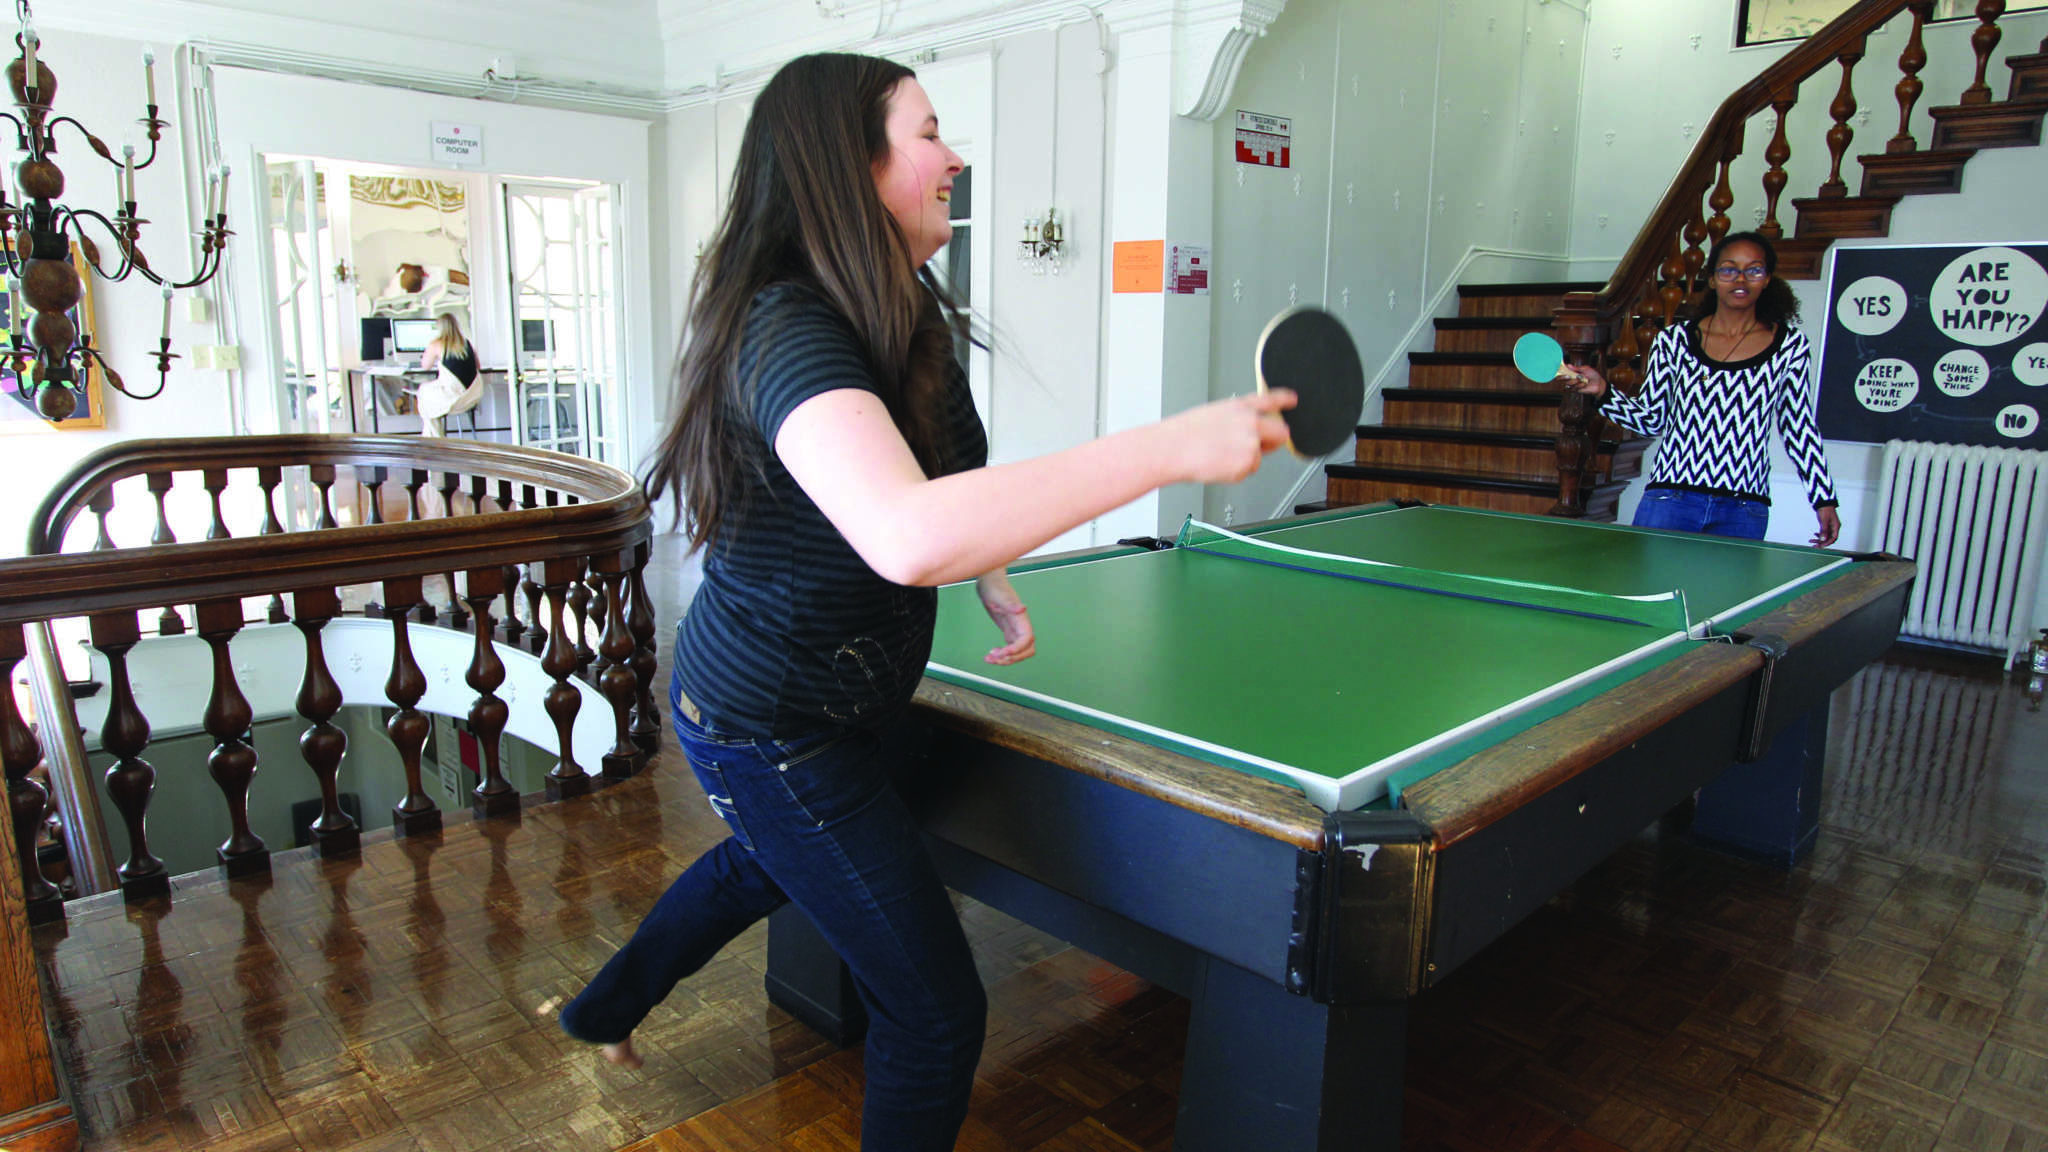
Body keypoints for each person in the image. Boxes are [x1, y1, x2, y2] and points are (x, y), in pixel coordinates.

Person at [555, 52, 1294, 1151]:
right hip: (766, 721)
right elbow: (904, 536)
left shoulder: (899, 311)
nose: (954, 157)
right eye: (927, 133)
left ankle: (600, 1009)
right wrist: (1170, 444)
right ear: (849, 167)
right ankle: (605, 1008)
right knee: (938, 1013)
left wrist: (990, 571)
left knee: (763, 863)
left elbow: (938, 482)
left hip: (841, 698)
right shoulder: (785, 329)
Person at [1563, 231, 1842, 547]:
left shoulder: (1790, 347)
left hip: (1743, 509)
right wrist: (1603, 392)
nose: (1740, 278)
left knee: (1726, 598)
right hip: (1670, 501)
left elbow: (1798, 427)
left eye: (1754, 270)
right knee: (1649, 594)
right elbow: (1652, 420)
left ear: (1766, 280)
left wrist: (1823, 498)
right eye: (1728, 269)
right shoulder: (1674, 341)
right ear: (1711, 278)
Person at [415, 312, 481, 436]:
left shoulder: (436, 344)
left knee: (423, 393)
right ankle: (433, 438)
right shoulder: (466, 343)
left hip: (453, 397)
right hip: (471, 396)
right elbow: (478, 366)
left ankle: (433, 438)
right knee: (429, 400)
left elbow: (425, 366)